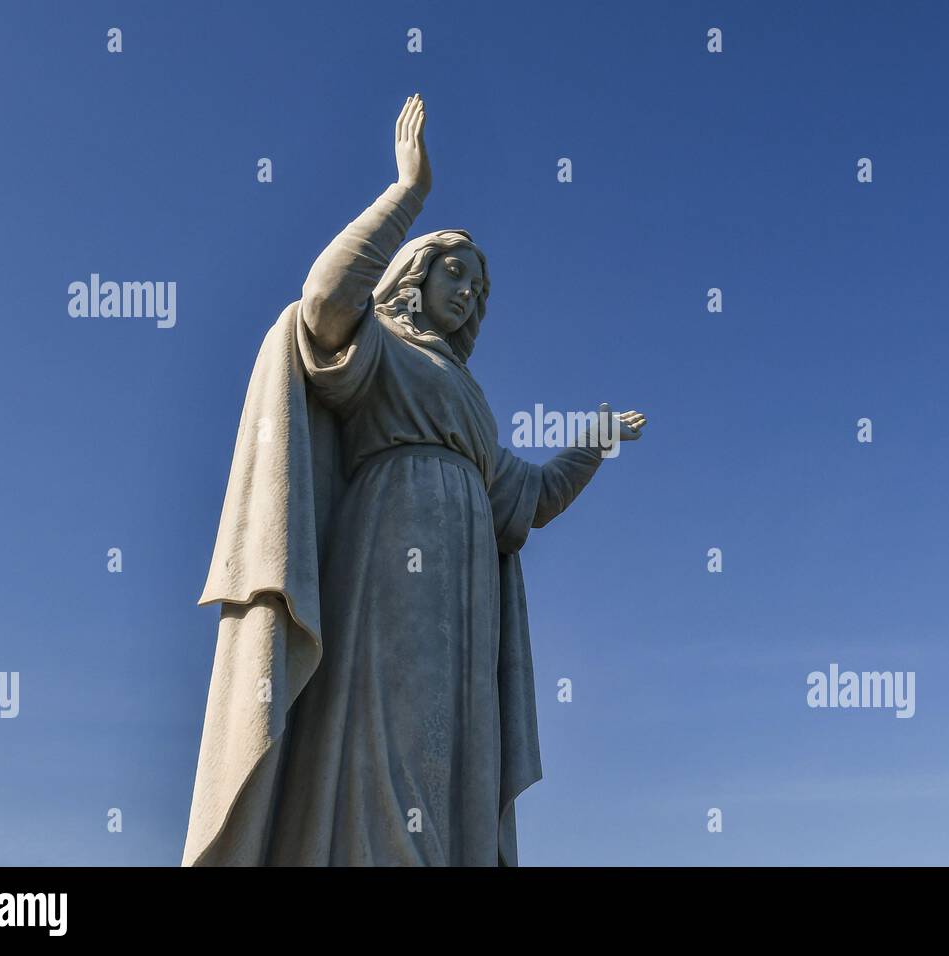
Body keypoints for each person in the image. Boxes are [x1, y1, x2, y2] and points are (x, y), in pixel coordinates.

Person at [182, 94, 646, 866]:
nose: (467, 291)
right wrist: (406, 194)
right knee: (387, 724)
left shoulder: (469, 400)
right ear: (416, 273)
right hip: (391, 547)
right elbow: (323, 300)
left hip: (464, 584)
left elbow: (526, 500)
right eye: (455, 273)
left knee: (453, 742)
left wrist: (591, 447)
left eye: (478, 288)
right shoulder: (377, 345)